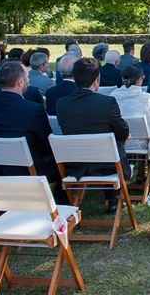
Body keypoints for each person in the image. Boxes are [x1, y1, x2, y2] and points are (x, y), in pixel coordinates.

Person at [56, 57, 131, 214]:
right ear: (97, 80)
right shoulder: (107, 102)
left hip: (75, 165)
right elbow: (122, 131)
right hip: (107, 165)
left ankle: (112, 200)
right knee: (115, 143)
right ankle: (113, 200)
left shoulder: (61, 103)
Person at [0, 61, 58, 180]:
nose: (29, 81)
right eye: (27, 77)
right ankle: (63, 197)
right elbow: (46, 143)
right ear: (20, 81)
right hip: (29, 170)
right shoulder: (33, 110)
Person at [111, 65, 150, 186]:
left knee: (147, 135)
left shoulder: (112, 96)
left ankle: (141, 173)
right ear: (139, 80)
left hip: (119, 143)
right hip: (141, 142)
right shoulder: (146, 98)